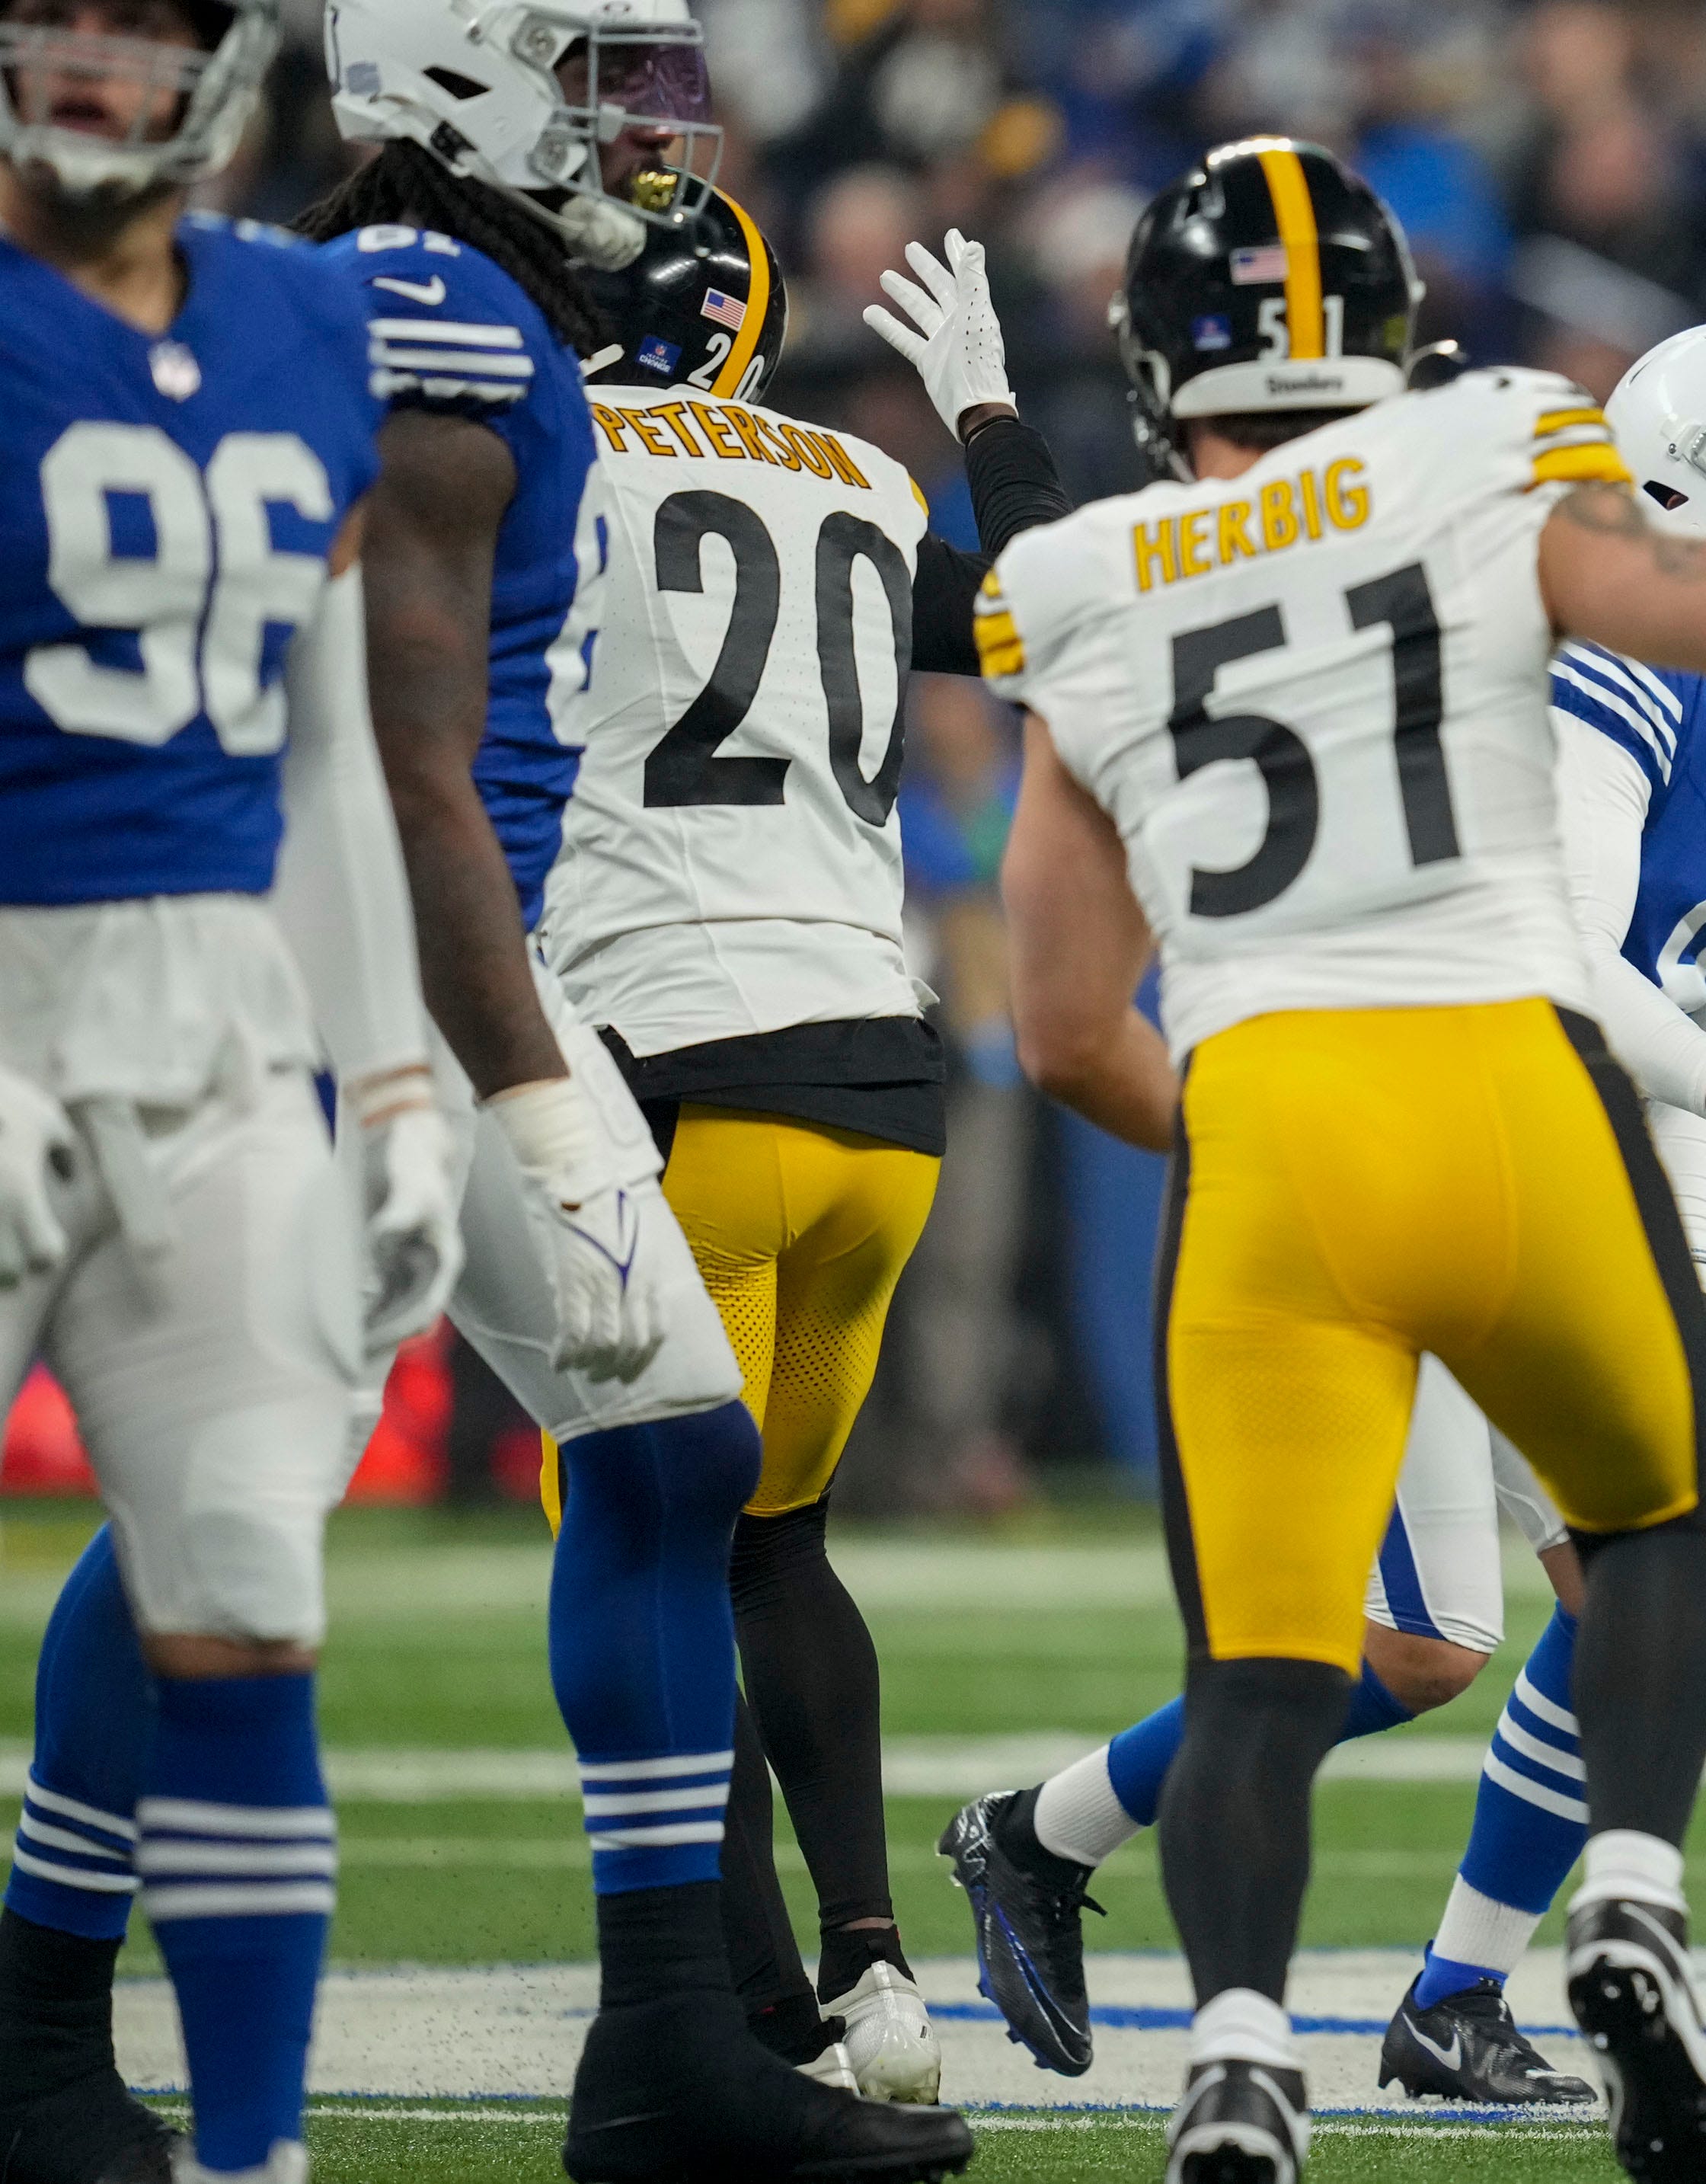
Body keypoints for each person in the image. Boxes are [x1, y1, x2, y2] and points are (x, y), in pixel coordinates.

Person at [975, 133, 1706, 2183]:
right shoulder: (1499, 467)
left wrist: (1253, 1117)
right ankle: (1586, 1902)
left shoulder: (1075, 584)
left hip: (1299, 1119)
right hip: (1529, 1100)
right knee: (1582, 1572)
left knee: (1324, 1642)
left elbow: (1067, 1023)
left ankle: (1300, 2032)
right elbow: (1571, 925)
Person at [5, 8, 976, 2180]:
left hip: (412, 962)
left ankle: (665, 2050)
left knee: (664, 1444)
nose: (653, 125)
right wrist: (530, 1089)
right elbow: (415, 759)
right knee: (241, 1491)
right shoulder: (429, 314)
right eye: (600, 75)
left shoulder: (417, 303)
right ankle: (47, 2027)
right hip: (350, 975)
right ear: (456, 79)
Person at [0, 4, 461, 2179]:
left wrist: (392, 1075)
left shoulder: (299, 313)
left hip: (208, 1013)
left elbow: (314, 744)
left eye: (133, 26)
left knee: (250, 1584)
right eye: (49, 22)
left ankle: (251, 2159)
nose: (88, 65)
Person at [547, 190, 1069, 2101]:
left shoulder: (537, 456)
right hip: (881, 1096)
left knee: (640, 1560)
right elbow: (1048, 625)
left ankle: (751, 2026)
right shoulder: (855, 469)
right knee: (779, 1548)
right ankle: (873, 1978)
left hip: (675, 1072)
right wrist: (991, 413)